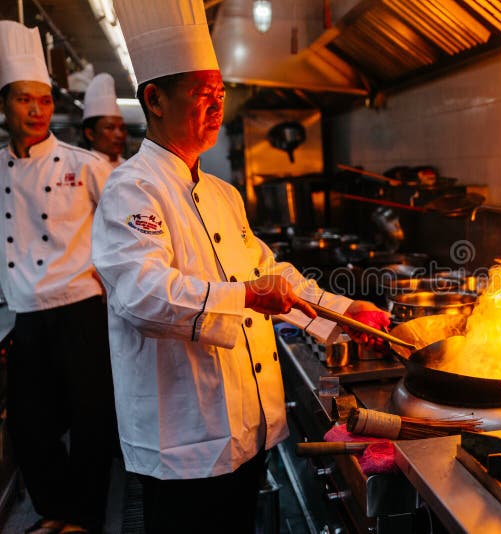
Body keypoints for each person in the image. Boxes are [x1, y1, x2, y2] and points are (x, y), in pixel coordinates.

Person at [91, 1, 389, 532]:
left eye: (220, 94)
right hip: (184, 441)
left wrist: (346, 314)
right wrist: (248, 298)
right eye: (201, 95)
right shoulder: (132, 188)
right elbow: (142, 295)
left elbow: (273, 273)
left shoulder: (223, 194)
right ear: (155, 99)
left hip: (246, 430)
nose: (216, 106)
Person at [0, 20, 116, 534]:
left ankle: (82, 520)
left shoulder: (84, 164)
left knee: (93, 424)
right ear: (5, 104)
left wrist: (106, 274)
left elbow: (124, 231)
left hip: (81, 308)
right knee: (30, 432)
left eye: (44, 101)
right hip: (25, 313)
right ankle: (57, 512)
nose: (37, 110)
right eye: (25, 99)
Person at [81, 72, 127, 168]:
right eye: (110, 128)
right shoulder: (82, 168)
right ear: (90, 134)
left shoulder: (129, 167)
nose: (120, 135)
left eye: (122, 128)